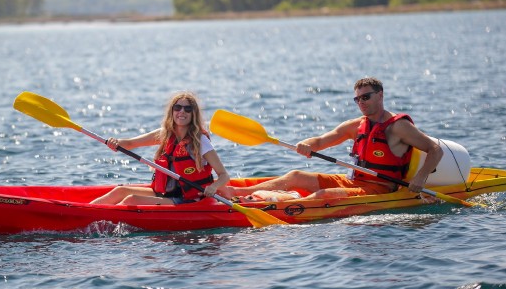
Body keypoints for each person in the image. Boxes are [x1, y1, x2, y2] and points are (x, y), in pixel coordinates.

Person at [220, 77, 443, 201]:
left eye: (366, 97)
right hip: (354, 182)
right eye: (357, 99)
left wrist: (421, 178)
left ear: (381, 95)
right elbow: (320, 141)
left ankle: (277, 204)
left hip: (380, 190)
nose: (361, 102)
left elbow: (435, 149)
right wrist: (307, 144)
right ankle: (237, 193)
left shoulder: (399, 127)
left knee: (324, 195)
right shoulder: (356, 126)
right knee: (296, 174)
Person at [90, 91, 230, 205]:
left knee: (131, 200)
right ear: (172, 111)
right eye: (177, 108)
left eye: (187, 109)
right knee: (119, 191)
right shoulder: (165, 134)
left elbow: (224, 175)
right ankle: (88, 211)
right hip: (165, 193)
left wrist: (213, 187)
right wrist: (115, 142)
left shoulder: (200, 141)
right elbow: (130, 143)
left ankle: (101, 219)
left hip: (187, 200)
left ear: (193, 114)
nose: (182, 112)